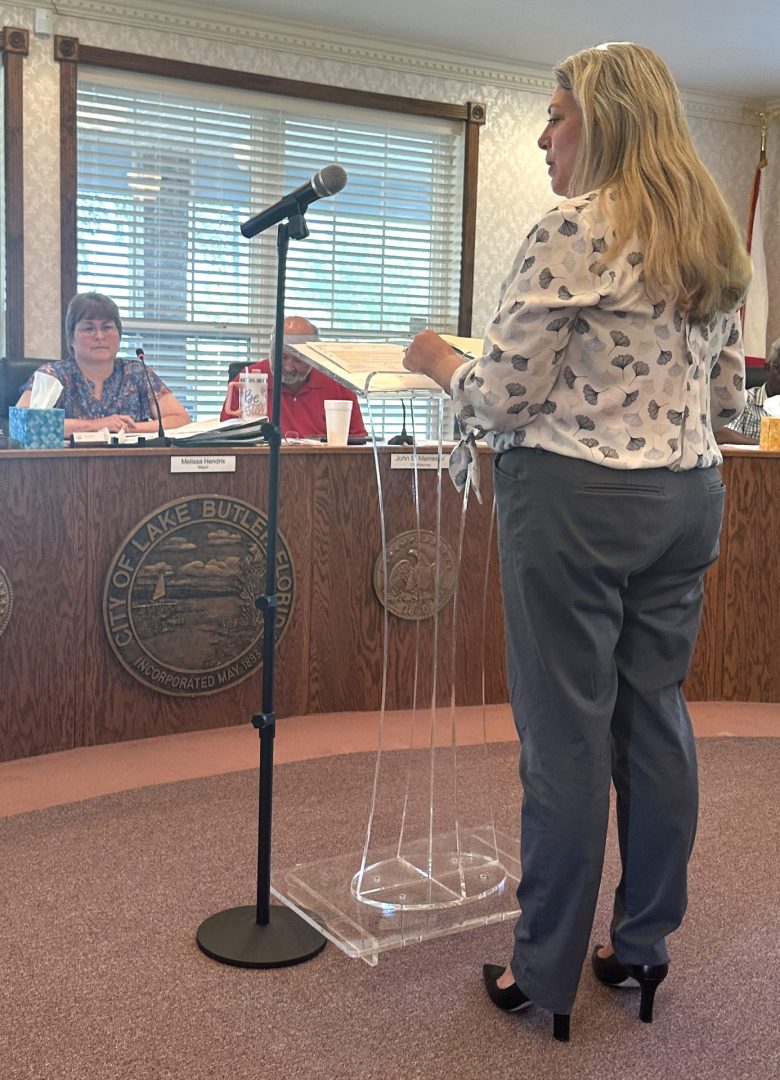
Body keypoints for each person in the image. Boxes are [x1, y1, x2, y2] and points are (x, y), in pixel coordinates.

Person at [404, 42, 751, 1042]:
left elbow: (504, 396)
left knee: (564, 736)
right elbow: (728, 402)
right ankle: (641, 948)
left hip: (575, 503)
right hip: (686, 500)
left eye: (556, 117)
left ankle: (544, 971)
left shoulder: (572, 228)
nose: (543, 138)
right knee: (655, 721)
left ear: (602, 120)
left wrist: (437, 362)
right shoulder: (709, 237)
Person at [17, 292, 190, 436]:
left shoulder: (136, 373)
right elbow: (23, 423)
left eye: (107, 327)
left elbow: (181, 420)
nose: (99, 336)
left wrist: (127, 429)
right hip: (67, 465)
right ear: (71, 338)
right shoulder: (52, 375)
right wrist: (96, 426)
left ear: (119, 335)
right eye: (89, 328)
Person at [220, 316, 366, 440]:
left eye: (299, 360)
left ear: (314, 357)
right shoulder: (247, 380)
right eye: (282, 357)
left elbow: (358, 441)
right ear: (271, 350)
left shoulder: (337, 382)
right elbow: (225, 440)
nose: (289, 367)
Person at [715, 336, 780, 444]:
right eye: (779, 368)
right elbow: (721, 433)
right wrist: (766, 446)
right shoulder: (745, 400)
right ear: (767, 368)